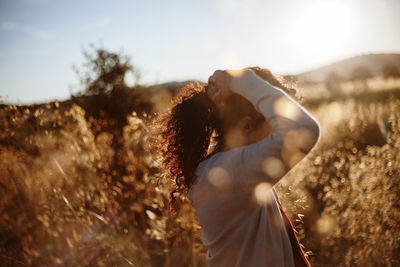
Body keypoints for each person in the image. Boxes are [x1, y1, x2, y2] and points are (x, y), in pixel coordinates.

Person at [154, 67, 320, 266]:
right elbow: (303, 130)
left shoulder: (218, 165)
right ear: (247, 127)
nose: (279, 128)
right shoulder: (232, 172)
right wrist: (240, 81)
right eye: (275, 123)